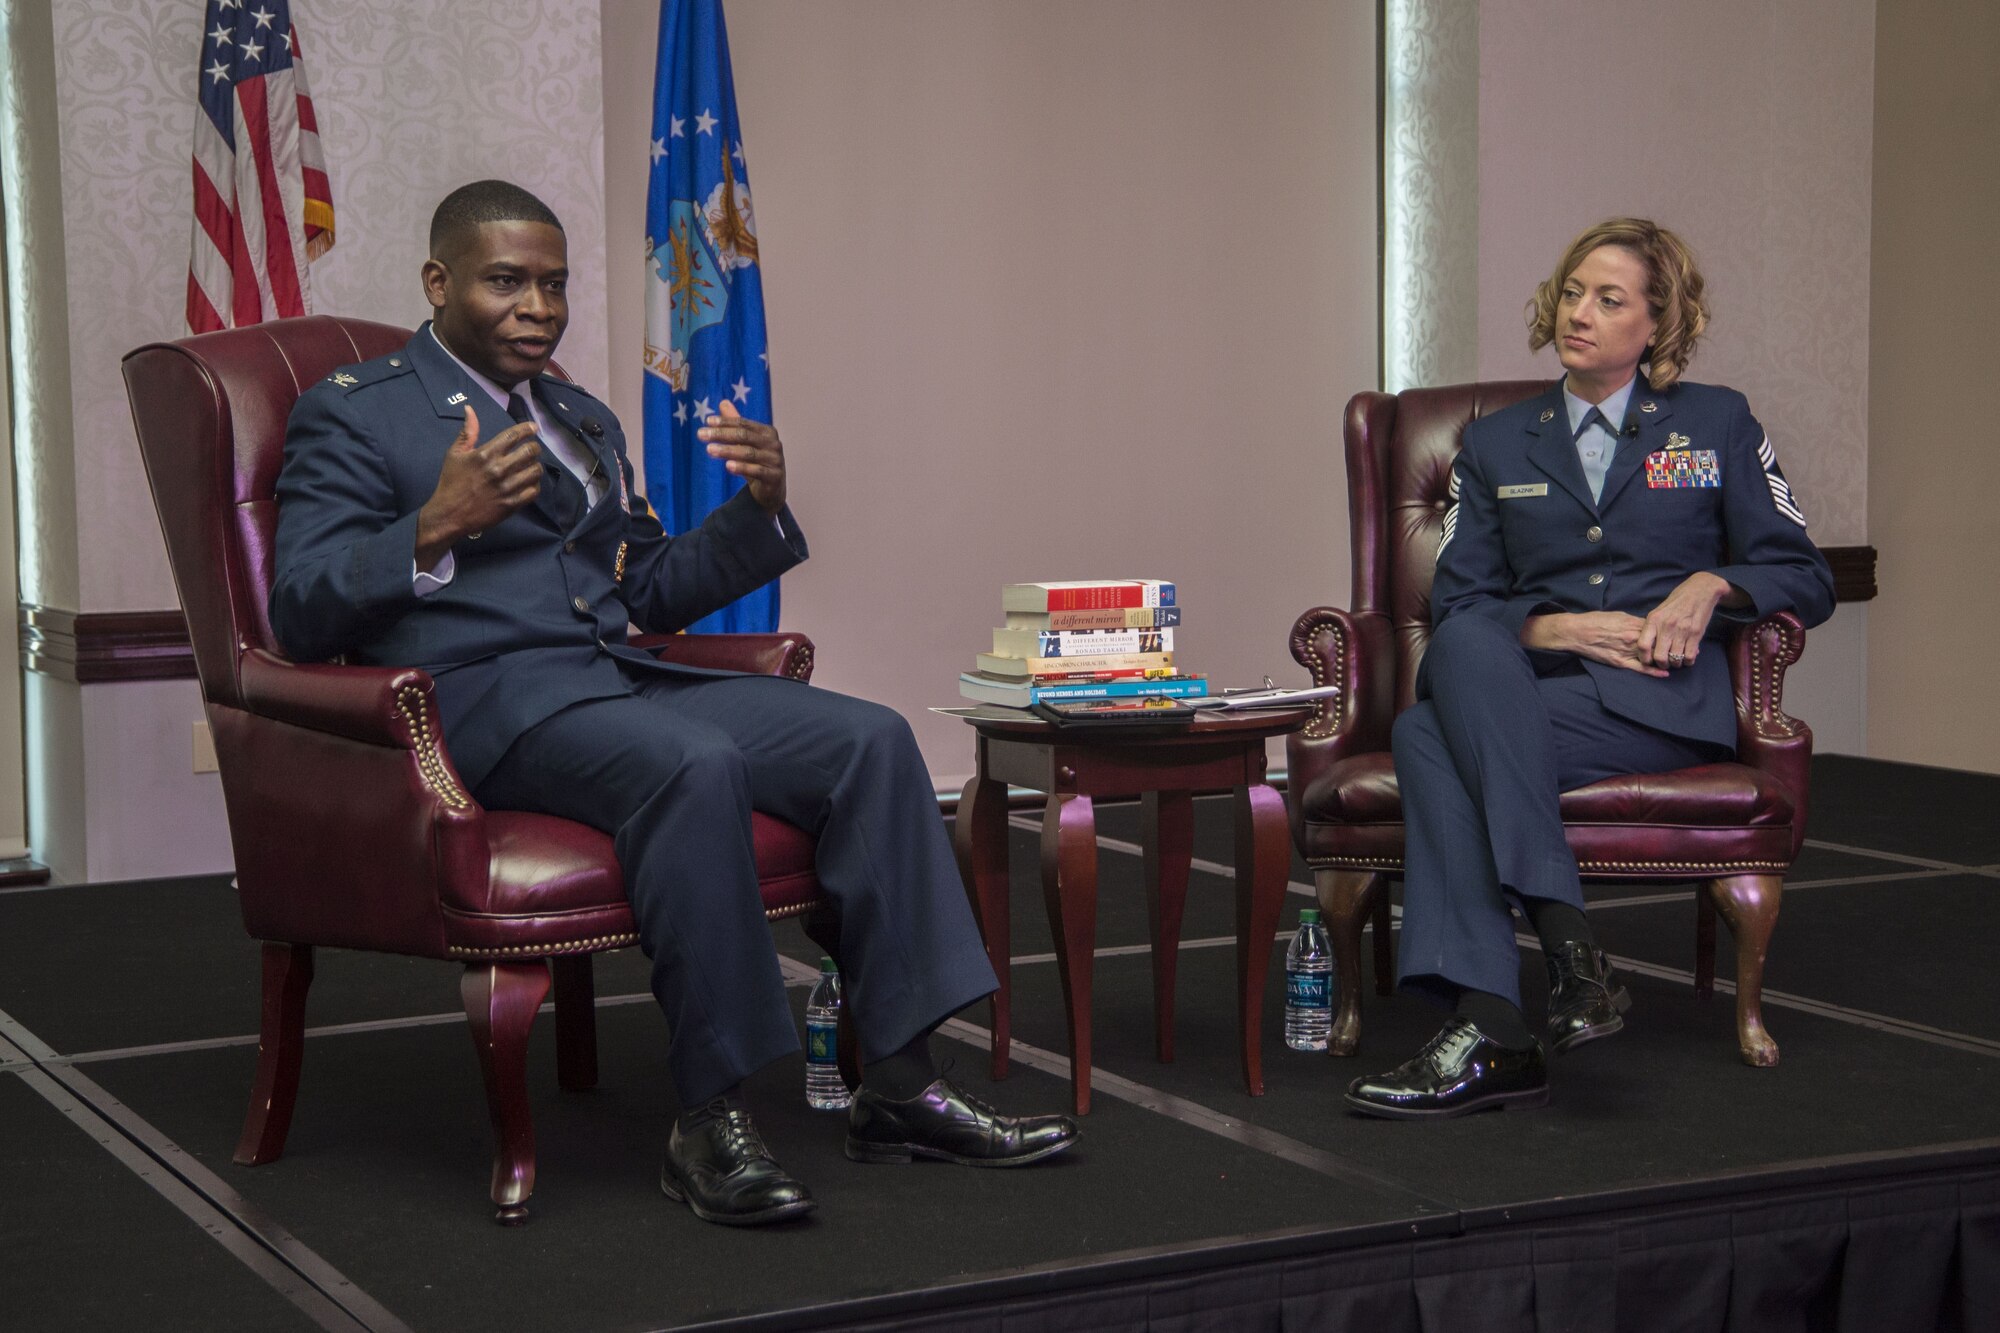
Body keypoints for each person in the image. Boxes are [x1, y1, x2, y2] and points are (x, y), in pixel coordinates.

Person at [269, 180, 1077, 1224]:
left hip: (615, 677)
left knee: (870, 741)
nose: (537, 308)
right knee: (688, 763)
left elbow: (640, 587)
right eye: (505, 281)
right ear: (439, 281)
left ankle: (901, 1089)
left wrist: (758, 509)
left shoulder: (578, 416)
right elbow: (297, 609)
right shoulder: (354, 410)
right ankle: (708, 1116)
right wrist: (433, 527)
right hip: (484, 705)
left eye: (552, 285)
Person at [1343, 218, 1835, 1119]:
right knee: (1457, 658)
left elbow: (1808, 570)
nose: (1581, 313)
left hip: (1657, 703)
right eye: (1572, 292)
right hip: (1529, 691)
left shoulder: (1717, 421)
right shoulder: (1495, 445)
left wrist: (1711, 583)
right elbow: (1459, 606)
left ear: (1657, 324)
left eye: (1610, 300)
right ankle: (1558, 965)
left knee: (1424, 732)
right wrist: (1556, 628)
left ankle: (1499, 1013)